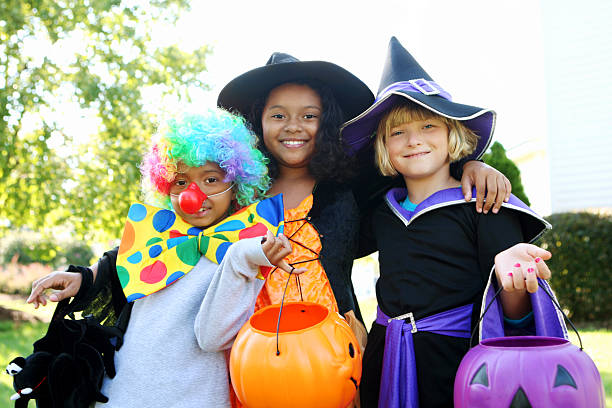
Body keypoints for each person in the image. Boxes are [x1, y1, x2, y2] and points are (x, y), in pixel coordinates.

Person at [216, 53, 513, 352]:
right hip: (251, 349)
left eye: (309, 115)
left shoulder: (351, 186)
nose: (294, 126)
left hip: (335, 350)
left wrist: (471, 165)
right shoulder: (237, 193)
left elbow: (416, 167)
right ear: (258, 122)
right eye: (278, 115)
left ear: (327, 122)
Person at [341, 37, 567, 408]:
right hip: (385, 360)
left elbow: (511, 313)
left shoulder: (485, 203)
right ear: (383, 145)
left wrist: (511, 280)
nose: (414, 141)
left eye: (429, 125)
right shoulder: (381, 211)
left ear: (453, 134)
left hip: (458, 365)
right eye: (397, 132)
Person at [27, 109, 305, 407]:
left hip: (193, 398)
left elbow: (213, 338)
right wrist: (82, 278)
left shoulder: (243, 250)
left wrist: (242, 259)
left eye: (211, 179)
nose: (194, 195)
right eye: (181, 182)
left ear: (236, 184)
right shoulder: (157, 238)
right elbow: (116, 266)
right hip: (121, 395)